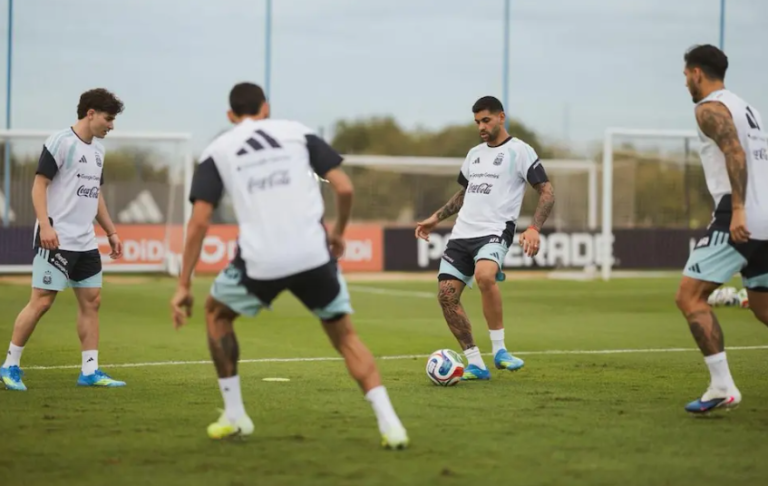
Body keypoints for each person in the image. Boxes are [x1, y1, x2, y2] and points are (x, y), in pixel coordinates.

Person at [170, 82, 408, 448]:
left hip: (260, 260)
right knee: (345, 336)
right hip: (314, 254)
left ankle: (235, 416)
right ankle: (391, 425)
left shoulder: (218, 149)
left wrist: (183, 284)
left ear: (231, 115)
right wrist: (339, 233)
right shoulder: (298, 132)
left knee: (216, 313)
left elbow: (199, 221)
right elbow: (344, 188)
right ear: (266, 107)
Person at [415, 96, 555, 380]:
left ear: (501, 117)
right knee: (445, 297)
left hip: (494, 231)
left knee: (485, 275)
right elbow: (464, 193)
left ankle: (500, 350)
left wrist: (534, 228)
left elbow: (547, 191)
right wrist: (435, 218)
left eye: (486, 120)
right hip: (462, 233)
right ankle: (476, 363)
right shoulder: (474, 154)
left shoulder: (520, 151)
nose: (481, 126)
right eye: (477, 121)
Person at [1, 88, 126, 391]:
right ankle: (9, 365)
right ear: (90, 113)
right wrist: (45, 226)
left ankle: (90, 371)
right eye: (109, 119)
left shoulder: (98, 152)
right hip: (55, 240)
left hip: (85, 241)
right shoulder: (60, 142)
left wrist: (110, 231)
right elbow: (39, 185)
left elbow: (96, 196)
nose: (112, 126)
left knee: (92, 302)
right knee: (42, 302)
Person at [675, 44, 768, 414]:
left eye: (685, 76)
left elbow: (735, 153)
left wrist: (740, 211)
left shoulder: (709, 109)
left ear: (697, 72)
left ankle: (722, 386)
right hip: (765, 215)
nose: (685, 83)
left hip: (740, 213)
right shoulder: (748, 108)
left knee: (689, 296)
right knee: (763, 307)